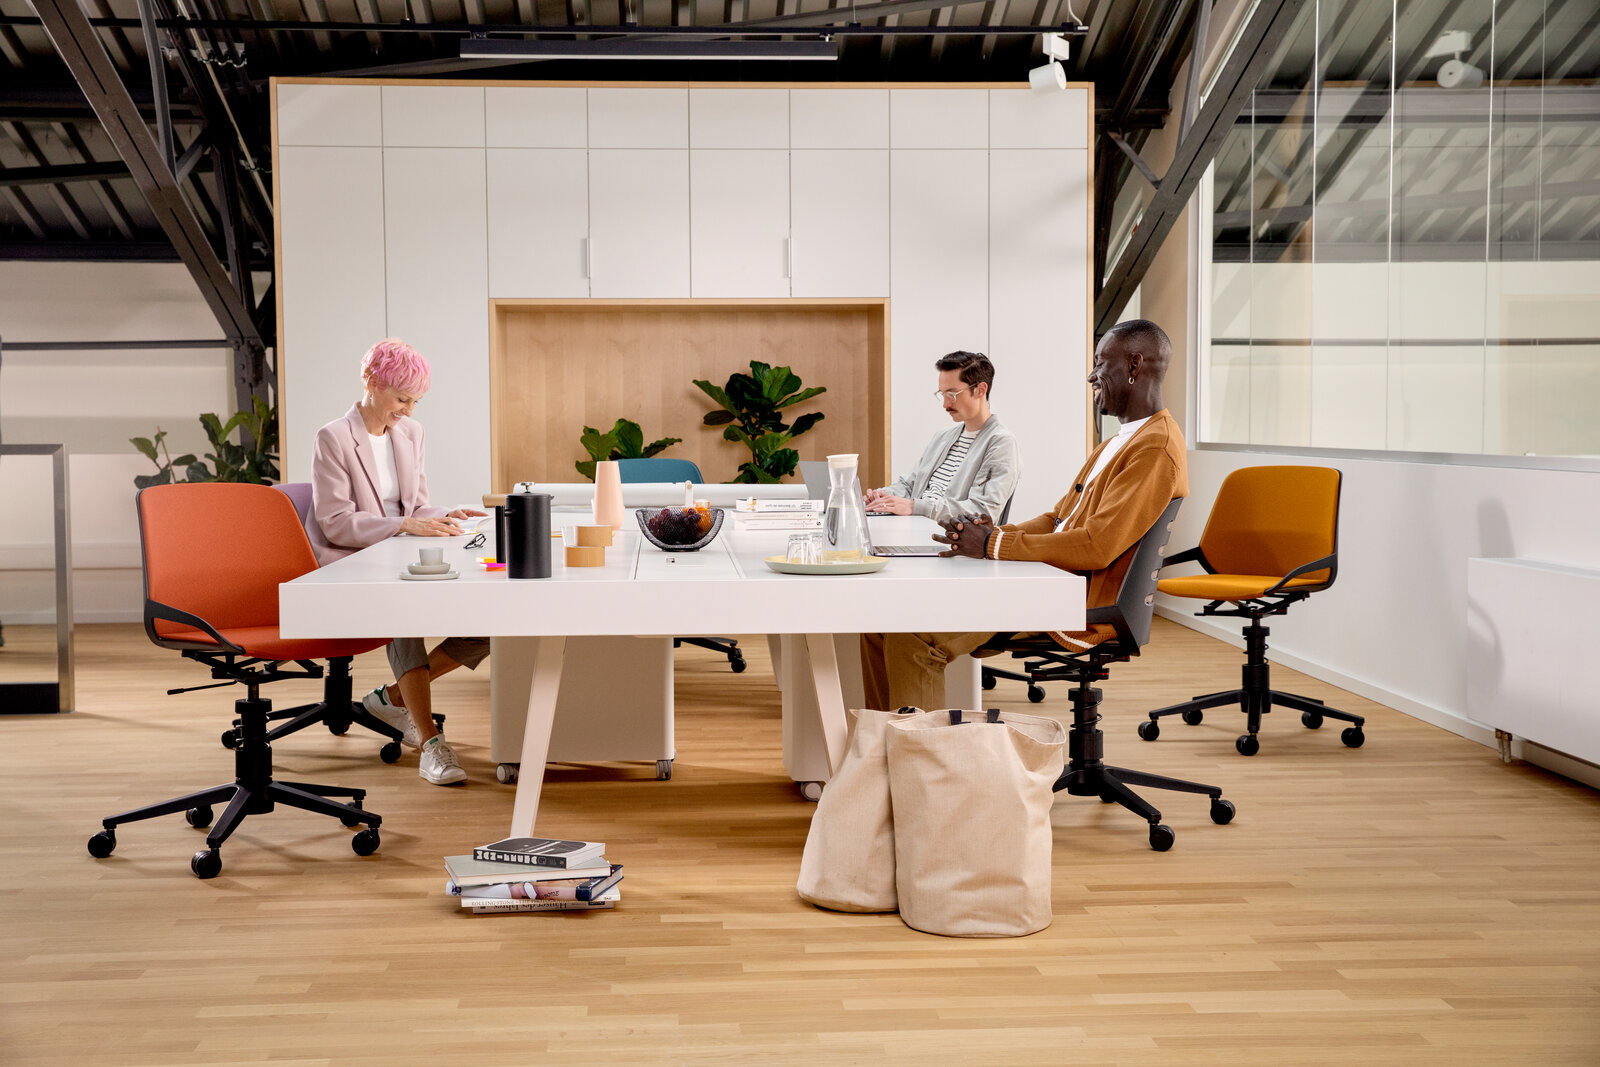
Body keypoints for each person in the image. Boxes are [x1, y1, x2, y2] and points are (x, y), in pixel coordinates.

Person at [860, 320, 1188, 711]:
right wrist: (990, 535)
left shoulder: (1154, 448)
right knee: (877, 625)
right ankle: (883, 740)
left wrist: (995, 544)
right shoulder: (1117, 443)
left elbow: (1097, 546)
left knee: (911, 638)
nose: (1091, 375)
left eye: (1101, 363)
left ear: (1134, 365)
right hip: (1049, 582)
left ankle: (916, 750)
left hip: (1073, 603)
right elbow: (1057, 519)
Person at [310, 338, 488, 786]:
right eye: (402, 398)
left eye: (415, 402)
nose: (408, 410)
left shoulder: (410, 433)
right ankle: (431, 743)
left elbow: (414, 506)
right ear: (372, 381)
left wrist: (445, 515)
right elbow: (335, 523)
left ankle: (391, 697)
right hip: (350, 560)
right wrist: (405, 525)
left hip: (398, 552)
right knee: (405, 611)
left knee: (490, 620)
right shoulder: (334, 437)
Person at [863, 351, 1020, 524]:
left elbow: (983, 511)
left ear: (980, 390)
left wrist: (915, 507)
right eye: (942, 394)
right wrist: (883, 497)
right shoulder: (943, 437)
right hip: (915, 525)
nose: (945, 404)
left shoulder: (1001, 444)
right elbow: (910, 485)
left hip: (946, 535)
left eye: (952, 394)